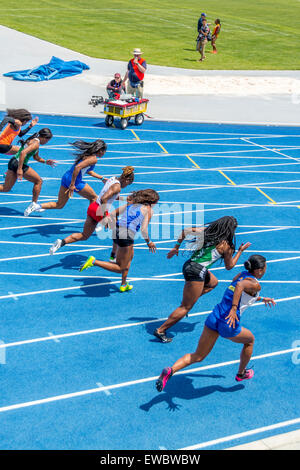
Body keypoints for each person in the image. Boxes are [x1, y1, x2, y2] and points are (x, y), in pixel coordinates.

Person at [156, 255, 276, 392]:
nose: (266, 270)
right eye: (265, 268)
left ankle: (170, 370)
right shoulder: (255, 284)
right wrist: (234, 308)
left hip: (215, 316)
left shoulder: (241, 274)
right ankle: (241, 373)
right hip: (229, 321)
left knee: (198, 356)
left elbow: (238, 290)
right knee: (250, 341)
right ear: (259, 270)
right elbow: (240, 286)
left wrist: (260, 298)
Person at [153, 216, 251, 343]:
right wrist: (240, 252)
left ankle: (191, 297)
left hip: (189, 265)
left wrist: (176, 247)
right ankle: (161, 330)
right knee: (185, 307)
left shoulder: (206, 232)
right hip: (197, 271)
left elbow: (185, 231)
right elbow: (229, 266)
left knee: (214, 282)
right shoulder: (226, 245)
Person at [79, 189, 159, 292]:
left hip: (117, 231)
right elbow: (144, 229)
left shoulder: (131, 204)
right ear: (152, 201)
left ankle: (124, 284)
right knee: (120, 268)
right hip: (126, 235)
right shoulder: (149, 210)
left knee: (130, 257)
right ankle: (94, 261)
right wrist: (149, 242)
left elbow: (112, 214)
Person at [49, 166, 135, 255]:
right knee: (120, 232)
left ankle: (61, 242)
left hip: (93, 207)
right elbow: (104, 199)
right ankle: (115, 256)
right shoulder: (117, 187)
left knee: (85, 235)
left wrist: (124, 198)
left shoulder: (112, 179)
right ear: (127, 180)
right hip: (100, 211)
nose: (126, 186)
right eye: (128, 184)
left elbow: (110, 195)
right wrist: (105, 217)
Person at [24, 139, 107, 216]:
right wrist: (72, 184)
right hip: (75, 181)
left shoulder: (87, 155)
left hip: (66, 177)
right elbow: (77, 167)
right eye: (104, 151)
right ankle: (92, 219)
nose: (104, 153)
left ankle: (36, 206)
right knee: (93, 197)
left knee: (59, 204)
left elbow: (87, 170)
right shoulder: (93, 159)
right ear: (100, 150)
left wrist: (102, 178)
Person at [0, 128, 55, 205]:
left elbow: (36, 157)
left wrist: (45, 161)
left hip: (13, 161)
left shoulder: (34, 140)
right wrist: (19, 170)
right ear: (43, 137)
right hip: (18, 164)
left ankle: (33, 204)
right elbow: (23, 153)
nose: (47, 142)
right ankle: (34, 205)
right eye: (47, 140)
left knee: (6, 188)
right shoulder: (35, 144)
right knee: (38, 181)